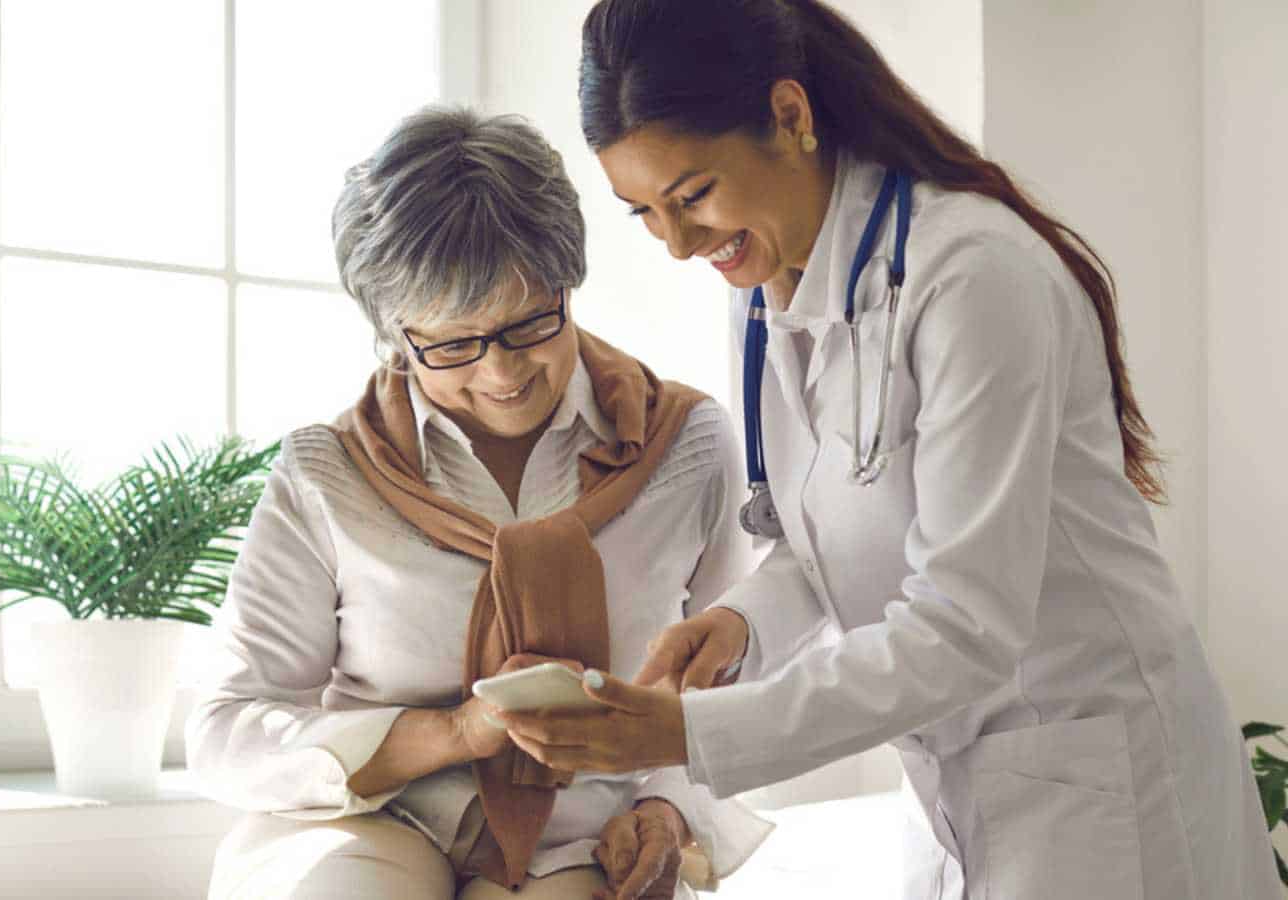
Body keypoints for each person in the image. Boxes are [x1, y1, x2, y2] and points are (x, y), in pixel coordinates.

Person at [493, 2, 1283, 899]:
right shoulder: (761, 283)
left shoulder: (972, 275)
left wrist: (685, 736)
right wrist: (745, 623)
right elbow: (824, 531)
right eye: (643, 213)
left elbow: (964, 625)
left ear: (789, 117)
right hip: (960, 779)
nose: (677, 244)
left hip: (1097, 766)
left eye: (693, 196)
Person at [185, 106, 769, 900]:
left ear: (569, 283)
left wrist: (667, 807)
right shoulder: (329, 474)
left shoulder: (687, 444)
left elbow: (737, 691)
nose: (501, 375)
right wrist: (451, 735)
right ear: (395, 336)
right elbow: (227, 731)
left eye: (530, 324)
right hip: (376, 814)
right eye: (453, 344)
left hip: (587, 835)